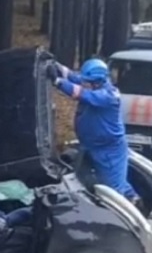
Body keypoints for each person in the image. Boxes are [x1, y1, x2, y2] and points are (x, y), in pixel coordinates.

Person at [46, 57, 141, 204]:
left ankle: (127, 219)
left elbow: (81, 93)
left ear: (97, 83)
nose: (83, 83)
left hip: (109, 151)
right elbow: (75, 78)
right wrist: (59, 67)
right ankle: (135, 201)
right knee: (111, 182)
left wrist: (58, 82)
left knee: (114, 191)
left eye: (86, 82)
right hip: (92, 146)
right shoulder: (94, 84)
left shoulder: (108, 96)